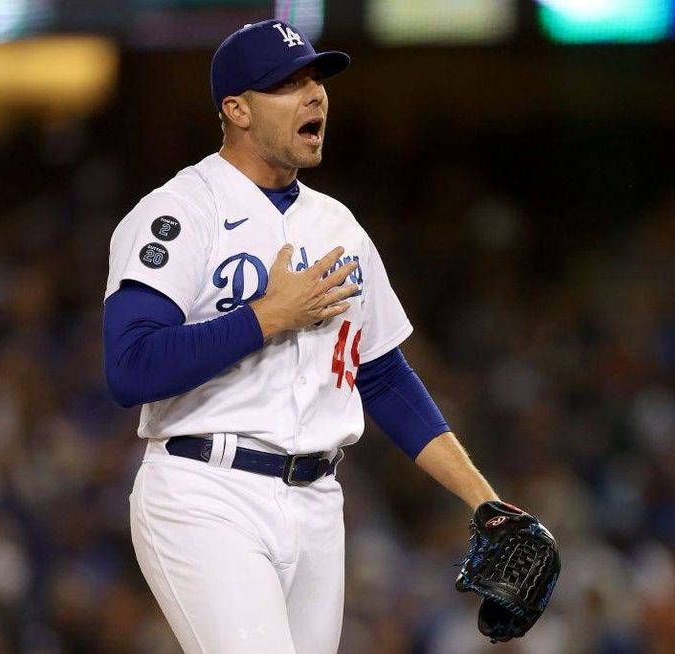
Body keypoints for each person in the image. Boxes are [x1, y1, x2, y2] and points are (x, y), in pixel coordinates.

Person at [102, 19, 501, 654]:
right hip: (207, 490)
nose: (314, 95)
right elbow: (129, 367)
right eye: (288, 84)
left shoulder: (337, 223)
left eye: (317, 79)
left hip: (318, 503)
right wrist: (267, 316)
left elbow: (382, 375)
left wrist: (484, 501)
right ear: (236, 109)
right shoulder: (180, 211)